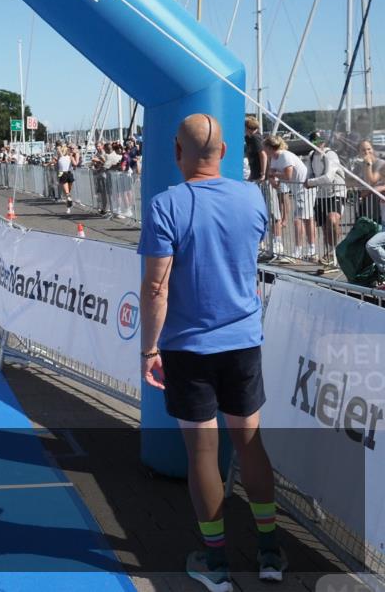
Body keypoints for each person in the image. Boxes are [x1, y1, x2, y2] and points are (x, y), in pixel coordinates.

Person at [139, 114, 285, 591]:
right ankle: (269, 552)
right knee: (249, 444)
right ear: (224, 153)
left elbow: (156, 287)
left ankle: (217, 562)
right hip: (243, 342)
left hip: (189, 347)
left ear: (176, 153)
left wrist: (148, 349)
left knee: (203, 450)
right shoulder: (251, 197)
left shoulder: (167, 205)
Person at [263, 135, 314, 261]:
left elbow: (288, 176)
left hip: (305, 188)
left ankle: (298, 251)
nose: (263, 150)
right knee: (307, 219)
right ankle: (310, 249)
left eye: (265, 147)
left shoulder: (284, 156)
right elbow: (271, 174)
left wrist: (274, 175)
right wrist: (273, 179)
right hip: (297, 190)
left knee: (298, 220)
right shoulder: (274, 158)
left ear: (270, 147)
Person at [304, 132, 346, 265]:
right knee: (325, 227)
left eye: (321, 140)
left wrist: (310, 183)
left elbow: (328, 177)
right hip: (321, 194)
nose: (318, 142)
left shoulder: (330, 154)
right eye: (315, 140)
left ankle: (335, 252)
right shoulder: (311, 156)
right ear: (311, 141)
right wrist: (309, 182)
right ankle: (330, 254)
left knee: (332, 220)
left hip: (336, 192)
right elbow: (309, 175)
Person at [354, 139, 385, 221]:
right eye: (363, 150)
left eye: (369, 149)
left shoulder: (381, 163)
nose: (366, 152)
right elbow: (352, 181)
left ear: (373, 149)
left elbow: (370, 182)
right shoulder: (358, 165)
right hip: (363, 203)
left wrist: (368, 164)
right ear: (359, 152)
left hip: (377, 204)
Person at [244, 116, 266, 183]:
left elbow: (263, 155)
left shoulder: (255, 138)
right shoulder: (248, 138)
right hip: (254, 171)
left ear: (247, 127)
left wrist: (263, 173)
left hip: (258, 172)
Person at [56, 144, 76, 213]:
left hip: (68, 173)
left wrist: (71, 155)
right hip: (64, 174)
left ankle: (69, 206)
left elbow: (75, 163)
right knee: (67, 192)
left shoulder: (68, 156)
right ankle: (69, 205)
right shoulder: (60, 157)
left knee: (68, 192)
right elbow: (58, 148)